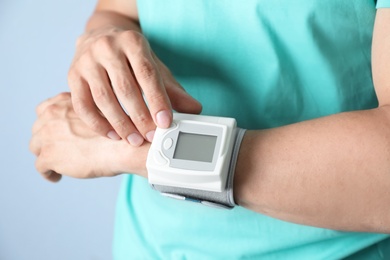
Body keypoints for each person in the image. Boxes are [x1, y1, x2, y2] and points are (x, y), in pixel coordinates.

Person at [30, 0, 390, 258]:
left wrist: (126, 150)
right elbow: (121, 9)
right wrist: (104, 37)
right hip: (148, 244)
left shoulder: (121, 151)